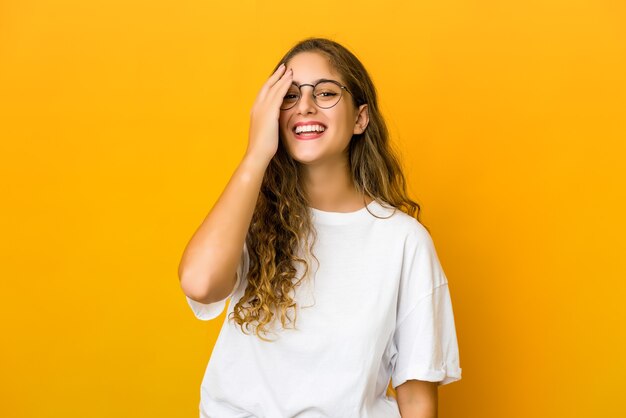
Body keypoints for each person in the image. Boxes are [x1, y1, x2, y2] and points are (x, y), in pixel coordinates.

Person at [178, 37, 462, 418]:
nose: (306, 106)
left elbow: (416, 395)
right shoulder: (247, 217)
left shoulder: (403, 241)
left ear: (360, 118)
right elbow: (199, 283)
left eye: (326, 92)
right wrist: (256, 153)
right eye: (290, 97)